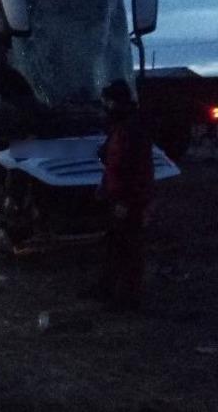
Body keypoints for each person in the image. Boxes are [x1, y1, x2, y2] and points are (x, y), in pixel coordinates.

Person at [94, 79, 154, 312]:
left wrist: (125, 201)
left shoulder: (130, 129)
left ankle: (128, 298)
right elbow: (113, 160)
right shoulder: (123, 125)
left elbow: (131, 168)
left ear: (114, 102)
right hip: (121, 195)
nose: (104, 106)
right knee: (114, 244)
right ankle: (107, 288)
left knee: (128, 248)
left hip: (128, 198)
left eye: (107, 101)